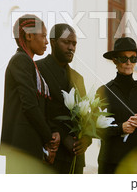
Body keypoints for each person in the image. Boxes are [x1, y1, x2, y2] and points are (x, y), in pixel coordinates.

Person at [0, 14, 60, 173]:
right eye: (43, 36)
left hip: (29, 144)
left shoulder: (29, 63)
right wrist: (49, 139)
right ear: (29, 35)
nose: (47, 42)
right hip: (22, 145)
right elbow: (30, 105)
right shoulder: (20, 61)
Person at [96, 37, 137, 174]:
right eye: (123, 58)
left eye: (133, 58)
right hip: (111, 163)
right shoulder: (103, 91)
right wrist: (120, 128)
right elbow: (95, 129)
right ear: (115, 60)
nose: (129, 62)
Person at [37, 24, 92, 174]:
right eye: (66, 42)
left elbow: (86, 114)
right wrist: (62, 135)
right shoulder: (37, 68)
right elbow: (36, 110)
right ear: (53, 42)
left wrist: (87, 139)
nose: (71, 48)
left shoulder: (78, 78)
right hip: (49, 154)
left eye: (74, 43)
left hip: (75, 158)